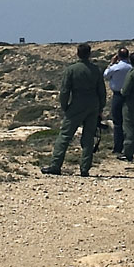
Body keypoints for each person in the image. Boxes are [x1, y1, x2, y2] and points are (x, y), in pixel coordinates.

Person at [41, 43, 107, 177]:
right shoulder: (96, 70)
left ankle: (56, 165)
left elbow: (65, 91)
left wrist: (65, 106)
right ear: (89, 54)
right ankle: (85, 168)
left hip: (77, 104)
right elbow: (102, 91)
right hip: (93, 105)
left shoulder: (71, 70)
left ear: (77, 53)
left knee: (65, 135)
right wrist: (100, 108)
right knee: (88, 138)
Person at [103, 47, 132, 154]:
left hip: (118, 95)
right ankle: (132, 146)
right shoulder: (131, 67)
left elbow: (105, 75)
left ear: (118, 56)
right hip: (130, 96)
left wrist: (111, 63)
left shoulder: (115, 67)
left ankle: (118, 147)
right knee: (130, 121)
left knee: (117, 122)